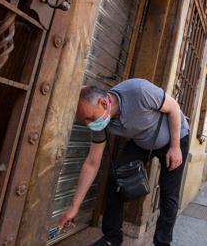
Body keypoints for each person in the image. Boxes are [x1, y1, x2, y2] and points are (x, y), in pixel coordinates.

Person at [58, 79, 190, 246]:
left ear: (104, 103)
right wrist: (74, 206)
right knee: (115, 178)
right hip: (142, 141)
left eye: (90, 118)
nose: (89, 125)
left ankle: (162, 243)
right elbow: (92, 163)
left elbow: (174, 108)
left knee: (169, 194)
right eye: (84, 120)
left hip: (175, 137)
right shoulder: (100, 125)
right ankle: (112, 239)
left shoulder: (139, 91)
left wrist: (176, 146)